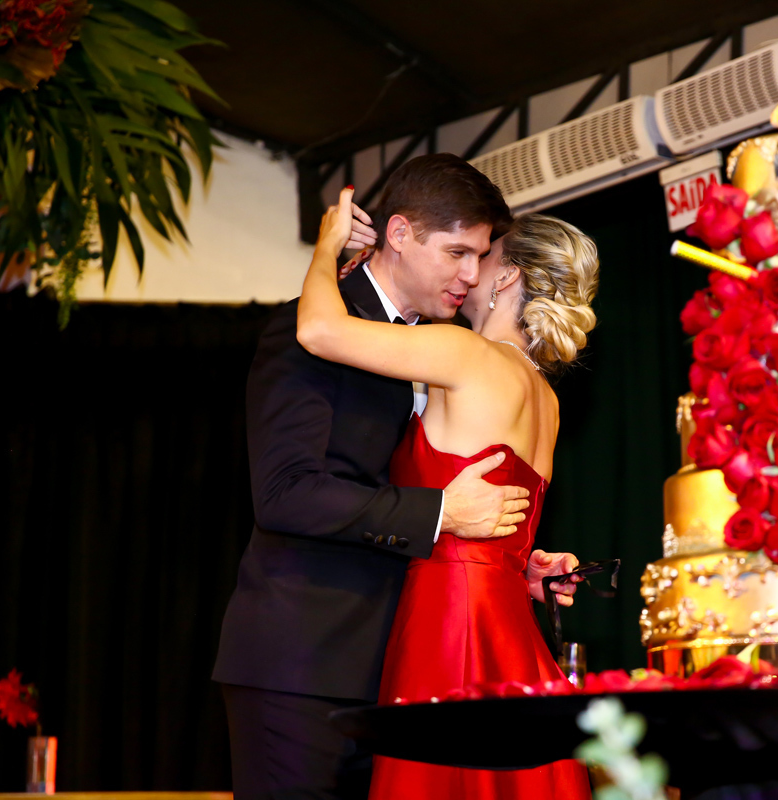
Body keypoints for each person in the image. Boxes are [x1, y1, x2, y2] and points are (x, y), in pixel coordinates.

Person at [213, 154, 580, 800]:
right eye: (458, 253)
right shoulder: (309, 329)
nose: (470, 274)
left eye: (481, 257)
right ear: (401, 234)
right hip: (305, 665)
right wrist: (442, 515)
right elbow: (284, 494)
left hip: (407, 668)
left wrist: (501, 557)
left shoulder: (440, 349)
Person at [297, 183, 599, 799]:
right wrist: (525, 567)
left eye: (482, 257)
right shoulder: (547, 399)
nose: (467, 270)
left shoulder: (465, 354)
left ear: (507, 276)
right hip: (509, 624)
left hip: (449, 617)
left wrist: (326, 247)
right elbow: (503, 527)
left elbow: (319, 331)